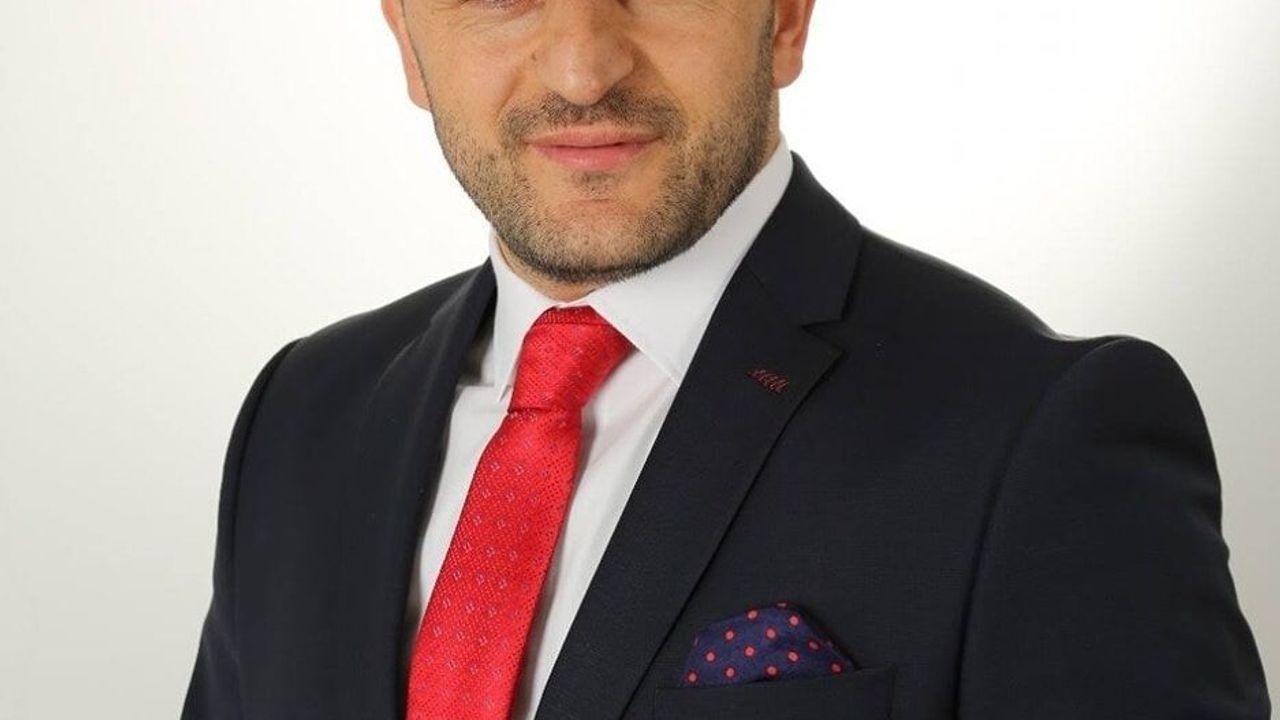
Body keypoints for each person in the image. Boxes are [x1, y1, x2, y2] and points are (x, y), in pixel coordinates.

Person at [182, 1, 1270, 718]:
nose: (582, 68)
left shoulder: (1041, 437)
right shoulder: (304, 418)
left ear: (784, 18)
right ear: (407, 40)